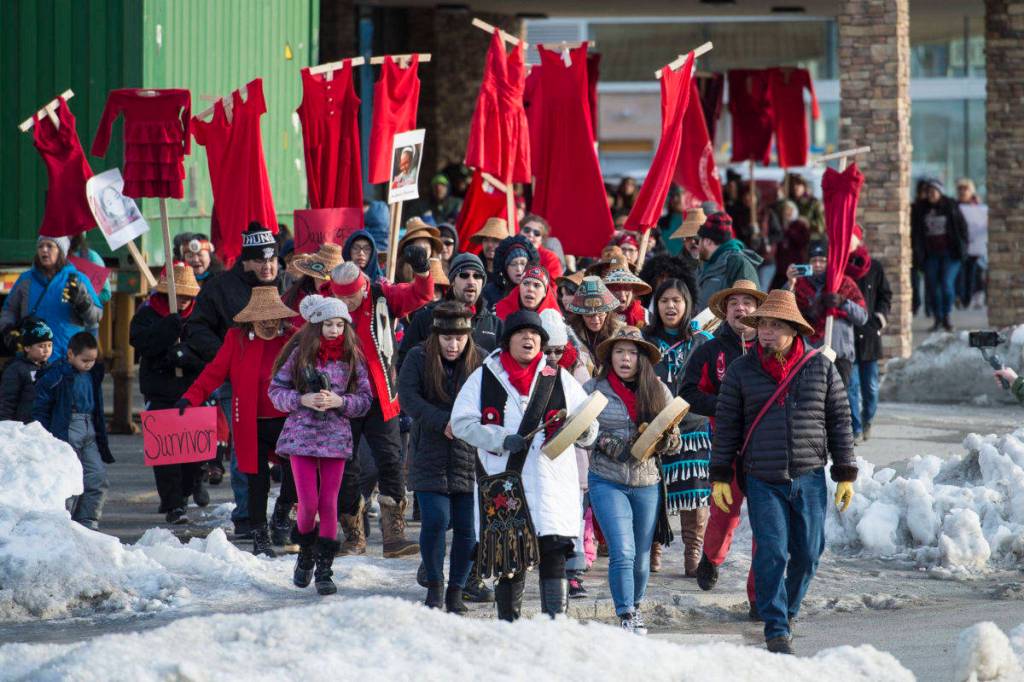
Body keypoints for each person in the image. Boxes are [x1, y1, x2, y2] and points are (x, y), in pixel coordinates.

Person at [710, 289, 856, 654]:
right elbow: (727, 425)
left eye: (775, 325)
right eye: (762, 325)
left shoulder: (820, 366)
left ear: (794, 329)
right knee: (771, 552)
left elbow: (840, 420)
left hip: (809, 476)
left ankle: (787, 610)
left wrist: (846, 473)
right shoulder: (742, 371)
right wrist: (720, 474)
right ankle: (776, 627)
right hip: (763, 477)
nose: (766, 332)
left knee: (808, 553)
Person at [451, 310, 597, 621]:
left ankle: (555, 625)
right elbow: (461, 423)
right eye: (521, 333)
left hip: (551, 481)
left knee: (554, 550)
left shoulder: (558, 377)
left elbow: (588, 421)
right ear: (507, 340)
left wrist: (582, 430)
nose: (528, 338)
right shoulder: (485, 376)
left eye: (535, 334)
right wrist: (501, 439)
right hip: (505, 480)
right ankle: (509, 625)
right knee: (509, 555)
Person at [330, 245, 434, 558]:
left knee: (390, 460)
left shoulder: (381, 296)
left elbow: (419, 295)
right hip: (343, 400)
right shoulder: (327, 307)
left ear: (362, 286)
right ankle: (353, 534)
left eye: (353, 297)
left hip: (380, 394)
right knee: (347, 466)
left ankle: (394, 535)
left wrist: (422, 270)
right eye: (343, 300)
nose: (348, 304)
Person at [178, 287, 297, 556]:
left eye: (273, 317)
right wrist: (190, 397)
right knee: (257, 481)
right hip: (250, 422)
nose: (268, 322)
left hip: (288, 422)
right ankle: (260, 534)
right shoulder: (237, 339)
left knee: (295, 475)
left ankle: (281, 514)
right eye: (262, 318)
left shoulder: (292, 338)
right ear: (250, 319)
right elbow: (215, 372)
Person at [184, 222, 284, 539]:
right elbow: (196, 328)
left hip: (281, 381)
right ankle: (246, 517)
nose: (268, 266)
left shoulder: (288, 283)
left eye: (272, 259)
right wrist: (229, 359)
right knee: (245, 450)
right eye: (260, 260)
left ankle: (284, 513)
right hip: (237, 382)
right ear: (246, 260)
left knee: (293, 448)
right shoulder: (220, 287)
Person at [269, 295, 372, 595]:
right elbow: (275, 390)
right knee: (308, 502)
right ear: (316, 325)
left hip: (335, 439)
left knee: (329, 503)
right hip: (301, 436)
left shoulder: (353, 357)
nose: (334, 330)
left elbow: (365, 400)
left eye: (340, 324)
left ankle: (324, 567)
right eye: (328, 324)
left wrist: (340, 401)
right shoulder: (300, 355)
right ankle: (305, 553)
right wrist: (302, 399)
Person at [585, 326, 679, 634]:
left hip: (647, 482)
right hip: (606, 480)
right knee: (622, 551)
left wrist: (666, 440)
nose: (625, 358)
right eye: (619, 351)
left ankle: (635, 606)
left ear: (643, 359)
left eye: (633, 353)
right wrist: (603, 442)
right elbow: (577, 432)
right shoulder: (593, 389)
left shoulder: (659, 390)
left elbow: (675, 438)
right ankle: (625, 614)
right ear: (609, 355)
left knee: (640, 557)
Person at [680, 279, 766, 610]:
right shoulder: (709, 350)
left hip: (766, 450)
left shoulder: (771, 348)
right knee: (724, 514)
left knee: (766, 527)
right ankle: (712, 558)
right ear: (725, 311)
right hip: (725, 447)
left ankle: (760, 598)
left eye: (748, 302)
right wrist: (726, 405)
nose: (741, 308)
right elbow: (687, 392)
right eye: (734, 303)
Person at [399, 302, 483, 612]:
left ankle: (456, 590)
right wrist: (440, 421)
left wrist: (467, 424)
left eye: (459, 338)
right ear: (437, 336)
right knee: (435, 519)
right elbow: (408, 397)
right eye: (447, 338)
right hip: (429, 452)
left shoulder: (480, 361)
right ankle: (435, 583)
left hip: (467, 456)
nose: (453, 344)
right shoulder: (418, 357)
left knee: (466, 528)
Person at [644, 279, 713, 576]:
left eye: (677, 300)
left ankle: (693, 553)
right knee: (654, 491)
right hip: (655, 427)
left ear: (687, 305)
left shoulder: (703, 341)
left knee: (695, 492)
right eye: (664, 301)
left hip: (694, 426)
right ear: (655, 306)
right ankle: (653, 549)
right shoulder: (644, 342)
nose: (670, 306)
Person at [129, 264, 208, 524]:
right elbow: (140, 343)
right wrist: (166, 331)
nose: (184, 301)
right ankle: (173, 504)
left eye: (188, 296)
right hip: (160, 390)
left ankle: (186, 492)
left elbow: (211, 349)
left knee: (193, 454)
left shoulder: (201, 316)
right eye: (179, 295)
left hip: (192, 390)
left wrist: (186, 355)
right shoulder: (148, 313)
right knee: (167, 455)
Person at [33, 331, 113, 530]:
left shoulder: (92, 374)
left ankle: (88, 522)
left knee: (97, 477)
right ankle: (65, 524)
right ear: (70, 354)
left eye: (93, 360)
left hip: (89, 428)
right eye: (85, 360)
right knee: (69, 480)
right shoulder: (57, 374)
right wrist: (43, 434)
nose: (89, 364)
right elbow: (41, 406)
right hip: (66, 428)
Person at [540, 309, 593, 599]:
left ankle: (572, 575)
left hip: (572, 459)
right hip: (538, 459)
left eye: (559, 350)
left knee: (572, 517)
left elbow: (588, 416)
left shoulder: (575, 372)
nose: (553, 356)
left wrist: (585, 431)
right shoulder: (529, 371)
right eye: (547, 350)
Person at [1, 236, 103, 361]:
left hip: (66, 358)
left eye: (49, 246)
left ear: (61, 251)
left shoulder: (78, 280)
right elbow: (9, 310)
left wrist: (82, 303)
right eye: (40, 246)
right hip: (31, 360)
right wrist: (8, 331)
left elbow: (96, 317)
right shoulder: (25, 280)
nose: (44, 250)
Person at [398, 253, 502, 371]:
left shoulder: (496, 325)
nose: (471, 281)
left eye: (477, 276)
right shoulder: (426, 317)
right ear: (452, 281)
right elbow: (404, 363)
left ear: (483, 283)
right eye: (464, 275)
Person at [789, 240, 868, 387]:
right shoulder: (799, 285)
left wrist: (843, 302)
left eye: (822, 260)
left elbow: (862, 317)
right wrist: (790, 284)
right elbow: (784, 311)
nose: (818, 265)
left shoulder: (844, 283)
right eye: (814, 260)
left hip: (840, 354)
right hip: (810, 354)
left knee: (838, 404)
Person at [846, 225, 892, 443]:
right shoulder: (838, 269)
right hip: (847, 335)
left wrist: (879, 318)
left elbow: (885, 295)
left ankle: (868, 419)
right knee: (851, 387)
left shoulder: (874, 267)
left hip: (870, 334)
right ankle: (855, 427)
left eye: (851, 237)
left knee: (871, 387)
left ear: (858, 240)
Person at [911, 178, 968, 331]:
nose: (932, 194)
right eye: (929, 191)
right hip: (931, 254)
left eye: (934, 191)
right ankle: (938, 318)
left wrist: (963, 247)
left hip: (951, 254)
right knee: (933, 287)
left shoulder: (951, 206)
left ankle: (947, 315)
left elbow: (962, 228)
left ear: (940, 192)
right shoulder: (921, 209)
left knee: (946, 283)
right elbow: (916, 232)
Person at [694, 213, 762, 311]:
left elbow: (748, 309)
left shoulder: (737, 263)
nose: (697, 246)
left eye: (698, 241)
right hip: (701, 326)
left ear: (707, 242)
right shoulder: (706, 263)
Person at [0, 318, 53, 423]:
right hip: (24, 428)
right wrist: (5, 427)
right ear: (27, 348)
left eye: (49, 345)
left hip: (45, 428)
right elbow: (7, 402)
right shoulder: (16, 369)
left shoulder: (51, 369)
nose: (46, 350)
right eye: (41, 346)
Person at [566, 276, 622, 374]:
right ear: (581, 315)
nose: (596, 320)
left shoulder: (619, 333)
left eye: (601, 313)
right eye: (589, 315)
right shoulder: (570, 334)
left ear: (608, 313)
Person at [481, 234, 539, 311]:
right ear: (505, 268)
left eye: (523, 263)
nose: (519, 269)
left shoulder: (538, 289)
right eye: (513, 264)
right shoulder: (490, 292)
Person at [956, 178, 987, 309]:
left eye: (965, 189)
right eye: (960, 189)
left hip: (976, 247)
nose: (963, 192)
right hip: (961, 247)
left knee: (974, 273)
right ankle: (963, 298)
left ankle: (973, 297)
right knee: (961, 274)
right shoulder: (955, 207)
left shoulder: (978, 207)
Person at [769, 201, 811, 290]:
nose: (787, 213)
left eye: (790, 210)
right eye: (785, 211)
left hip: (796, 261)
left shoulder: (800, 225)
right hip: (781, 265)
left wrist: (789, 230)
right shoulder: (779, 224)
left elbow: (803, 241)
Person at [495, 265, 560, 320]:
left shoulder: (556, 320)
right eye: (526, 283)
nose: (530, 289)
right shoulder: (498, 314)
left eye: (537, 285)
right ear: (519, 288)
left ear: (545, 293)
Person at [519, 214, 564, 280]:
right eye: (527, 230)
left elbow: (553, 286)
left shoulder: (550, 258)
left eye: (536, 233)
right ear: (519, 232)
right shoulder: (509, 250)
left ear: (542, 239)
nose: (531, 234)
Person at [468, 217, 509, 282]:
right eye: (486, 240)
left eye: (495, 240)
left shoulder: (510, 273)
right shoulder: (472, 270)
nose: (489, 245)